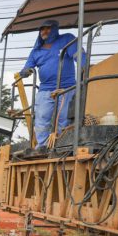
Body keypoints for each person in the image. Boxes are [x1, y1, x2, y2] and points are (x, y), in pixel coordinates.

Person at [20, 19, 84, 148]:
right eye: (42, 29)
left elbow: (80, 56)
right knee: (42, 118)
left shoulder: (67, 39)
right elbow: (27, 67)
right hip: (45, 90)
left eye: (48, 28)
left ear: (55, 28)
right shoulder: (36, 51)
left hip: (67, 88)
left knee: (65, 118)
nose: (45, 31)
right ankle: (42, 146)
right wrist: (25, 72)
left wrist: (85, 69)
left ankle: (62, 144)